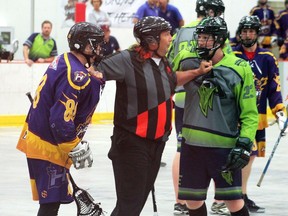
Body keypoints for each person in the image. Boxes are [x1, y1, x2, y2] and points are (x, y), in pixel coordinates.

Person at [89, 16, 212, 216]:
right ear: (152, 40)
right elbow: (93, 71)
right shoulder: (127, 59)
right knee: (130, 205)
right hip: (131, 143)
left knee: (133, 204)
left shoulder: (163, 61)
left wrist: (197, 72)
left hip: (156, 144)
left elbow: (173, 81)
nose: (171, 38)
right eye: (166, 34)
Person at [16, 22, 105, 216]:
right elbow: (60, 118)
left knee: (52, 201)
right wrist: (73, 144)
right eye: (95, 43)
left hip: (39, 137)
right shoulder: (76, 75)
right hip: (46, 145)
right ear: (85, 45)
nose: (99, 48)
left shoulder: (65, 59)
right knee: (50, 203)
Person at [177, 16, 259, 216]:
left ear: (220, 40)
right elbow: (167, 80)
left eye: (207, 38)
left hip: (224, 148)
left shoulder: (239, 67)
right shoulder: (188, 61)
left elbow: (249, 113)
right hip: (192, 146)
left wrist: (244, 143)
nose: (201, 42)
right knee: (192, 201)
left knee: (234, 202)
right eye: (200, 38)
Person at [167, 0, 231, 215]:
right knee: (212, 148)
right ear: (213, 12)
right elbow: (226, 63)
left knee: (182, 149)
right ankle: (219, 199)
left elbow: (169, 63)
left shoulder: (180, 32)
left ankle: (181, 201)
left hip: (182, 97)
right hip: (208, 98)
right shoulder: (218, 31)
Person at [233, 15, 287, 213]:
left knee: (250, 155)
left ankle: (241, 195)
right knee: (241, 155)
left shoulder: (267, 58)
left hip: (257, 117)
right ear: (239, 33)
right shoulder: (232, 56)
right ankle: (231, 195)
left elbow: (274, 87)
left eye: (251, 31)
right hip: (235, 117)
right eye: (244, 31)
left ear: (257, 33)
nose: (248, 34)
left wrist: (279, 112)